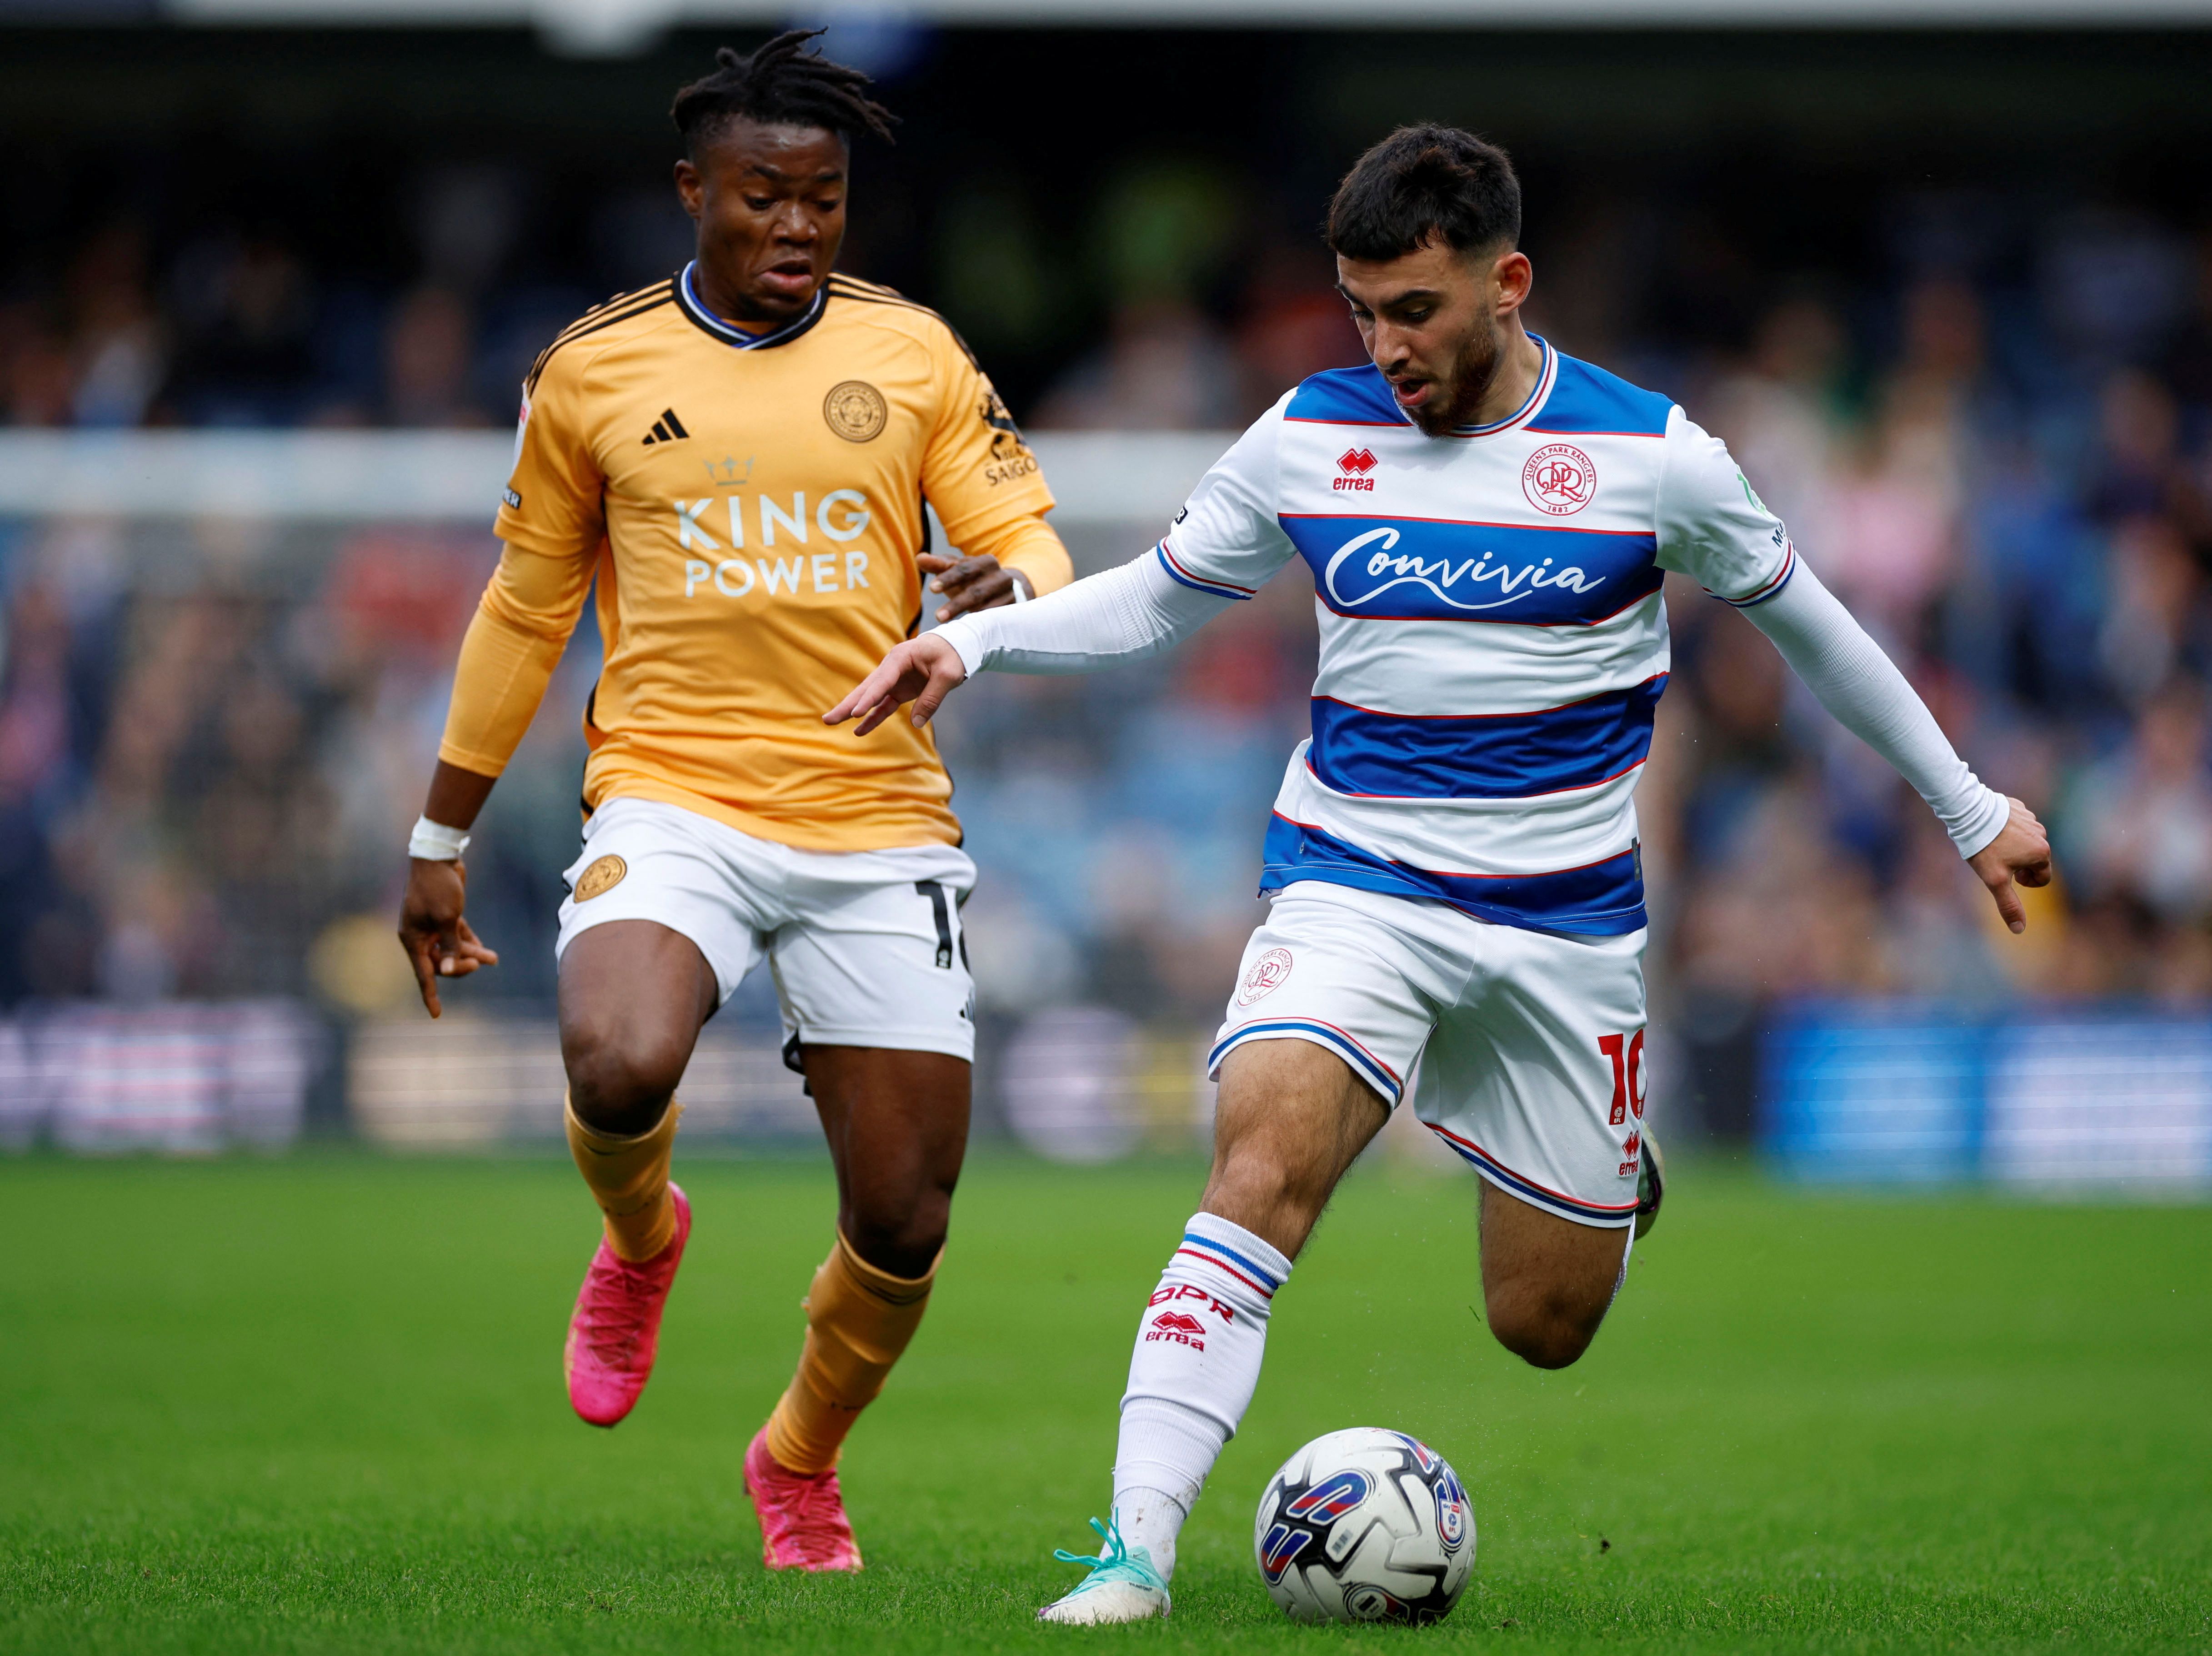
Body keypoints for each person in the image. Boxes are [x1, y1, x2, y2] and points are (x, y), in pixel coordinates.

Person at [827, 125, 2052, 1622]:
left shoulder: (1650, 456)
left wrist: (1969, 805)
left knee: (1540, 1325)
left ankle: (1605, 1182)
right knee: (1256, 1167)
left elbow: (1818, 635)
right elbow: (1151, 603)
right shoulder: (1304, 438)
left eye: (1412, 308)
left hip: (1563, 931)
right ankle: (1134, 1551)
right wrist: (977, 638)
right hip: (1357, 883)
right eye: (1360, 308)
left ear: (1507, 281)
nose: (1384, 343)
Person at [394, 31, 1071, 1573]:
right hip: (673, 792)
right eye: (763, 196)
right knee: (619, 1055)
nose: (796, 228)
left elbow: (1030, 540)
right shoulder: (594, 368)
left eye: (823, 200)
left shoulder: (910, 353)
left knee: (904, 1217)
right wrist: (439, 839)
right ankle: (642, 1240)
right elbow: (523, 610)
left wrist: (1003, 596)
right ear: (692, 190)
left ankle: (795, 1458)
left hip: (877, 815)